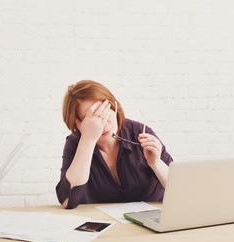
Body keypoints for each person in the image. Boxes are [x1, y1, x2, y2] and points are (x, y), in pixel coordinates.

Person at [56, 80, 173, 209]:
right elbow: (68, 201)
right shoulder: (76, 143)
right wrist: (88, 140)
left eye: (105, 111)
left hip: (152, 218)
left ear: (114, 106)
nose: (103, 123)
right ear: (78, 124)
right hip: (106, 222)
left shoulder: (140, 131)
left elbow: (180, 191)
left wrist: (156, 163)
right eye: (93, 118)